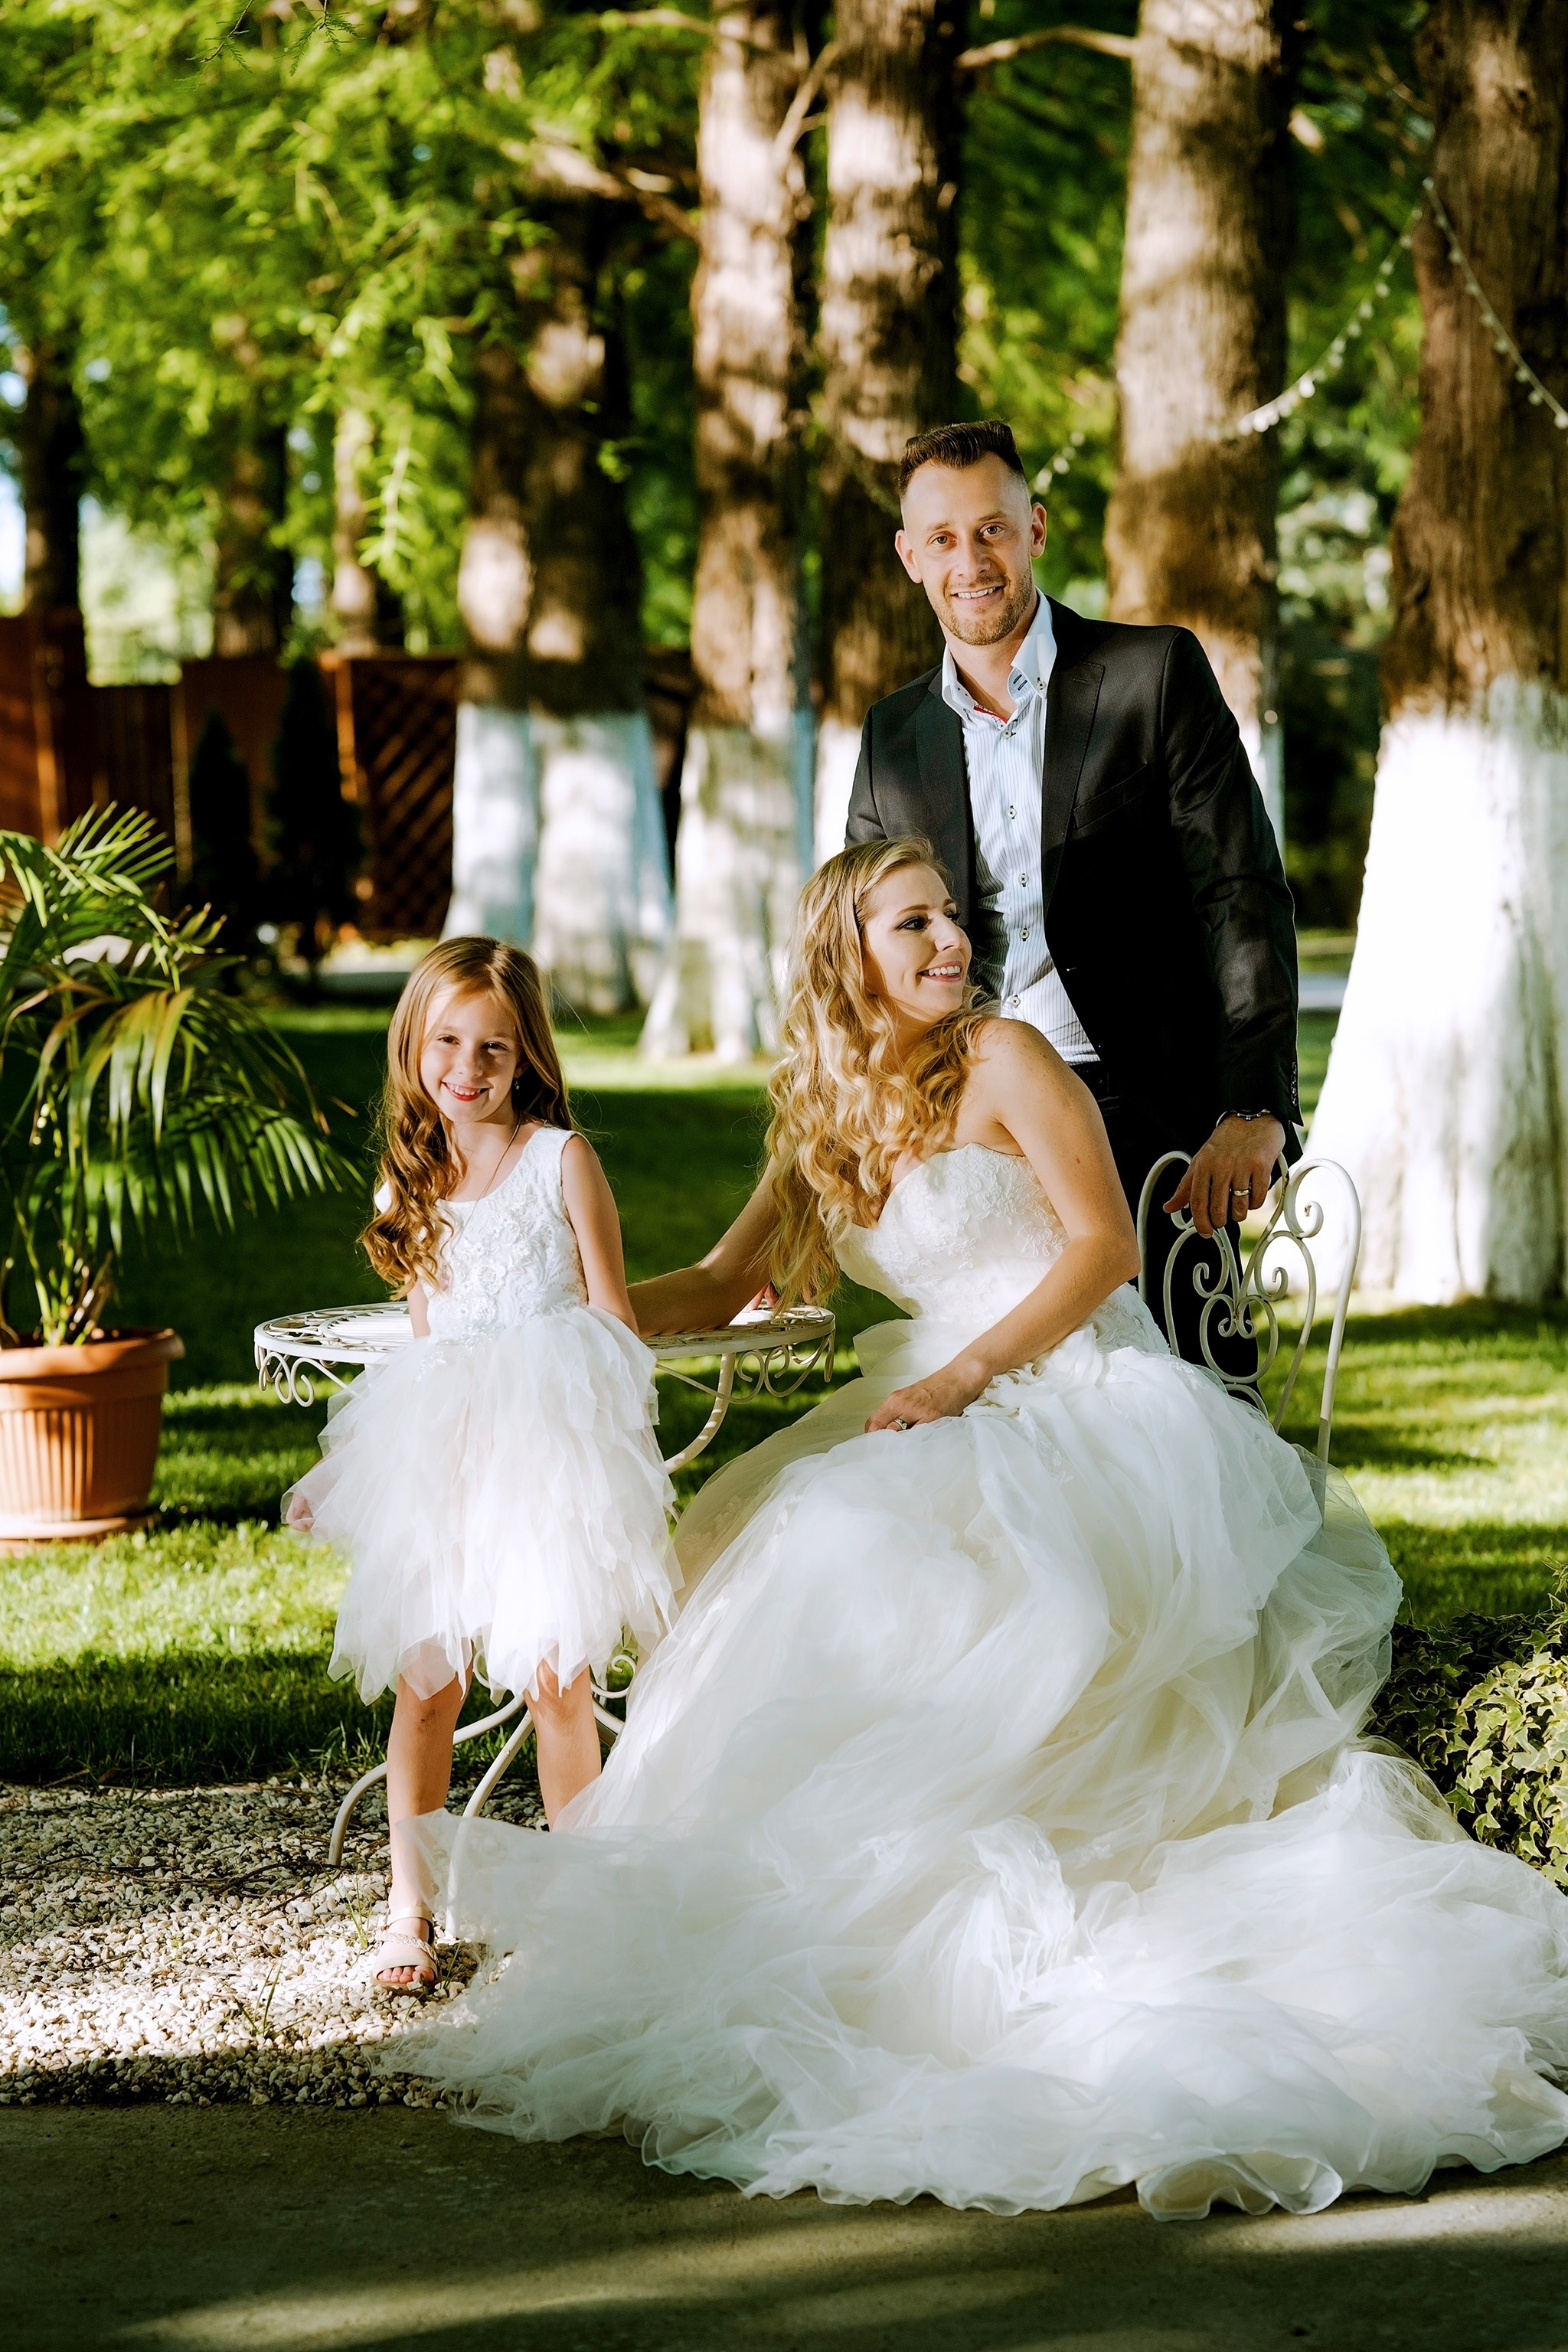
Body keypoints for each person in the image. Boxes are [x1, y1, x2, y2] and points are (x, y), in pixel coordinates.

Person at [393, 844, 1568, 2220]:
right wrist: (540, 1325)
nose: (950, 938)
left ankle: (969, 1920)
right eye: (913, 922)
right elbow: (723, 1279)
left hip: (1069, 1391)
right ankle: (813, 1935)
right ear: (849, 952)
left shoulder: (1006, 1057)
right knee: (797, 1544)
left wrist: (959, 1380)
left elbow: (1099, 1252)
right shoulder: (825, 1107)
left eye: (949, 914)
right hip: (926, 1397)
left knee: (871, 1546)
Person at [848, 416, 1299, 1361]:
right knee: (994, 1435)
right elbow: (863, 954)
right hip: (966, 1125)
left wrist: (1252, 1108)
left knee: (1188, 1431)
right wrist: (831, 1151)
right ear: (907, 556)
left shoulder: (1151, 674)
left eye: (991, 529)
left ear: (1035, 529)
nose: (969, 560)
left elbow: (1239, 891)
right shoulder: (892, 736)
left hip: (1144, 1114)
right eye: (940, 538)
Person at [285, 937, 677, 1991]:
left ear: (527, 1058)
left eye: (494, 1049)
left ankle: (580, 1908)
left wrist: (577, 1425)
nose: (468, 1067)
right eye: (447, 1042)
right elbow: (424, 1346)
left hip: (545, 1457)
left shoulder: (561, 1160)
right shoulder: (408, 1180)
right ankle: (409, 1909)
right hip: (442, 1460)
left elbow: (613, 1318)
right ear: (414, 1046)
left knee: (558, 1679)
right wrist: (347, 1470)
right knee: (428, 1683)